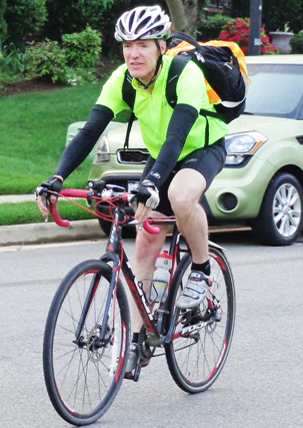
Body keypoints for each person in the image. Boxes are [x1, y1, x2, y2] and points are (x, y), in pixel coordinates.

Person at [36, 5, 229, 377]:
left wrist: (153, 183)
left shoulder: (183, 72)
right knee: (144, 242)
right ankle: (138, 338)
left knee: (181, 196)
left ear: (161, 46)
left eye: (142, 45)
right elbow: (90, 131)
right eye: (127, 45)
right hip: (162, 156)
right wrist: (57, 177)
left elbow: (178, 134)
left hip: (202, 149)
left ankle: (202, 271)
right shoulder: (123, 78)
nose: (133, 53)